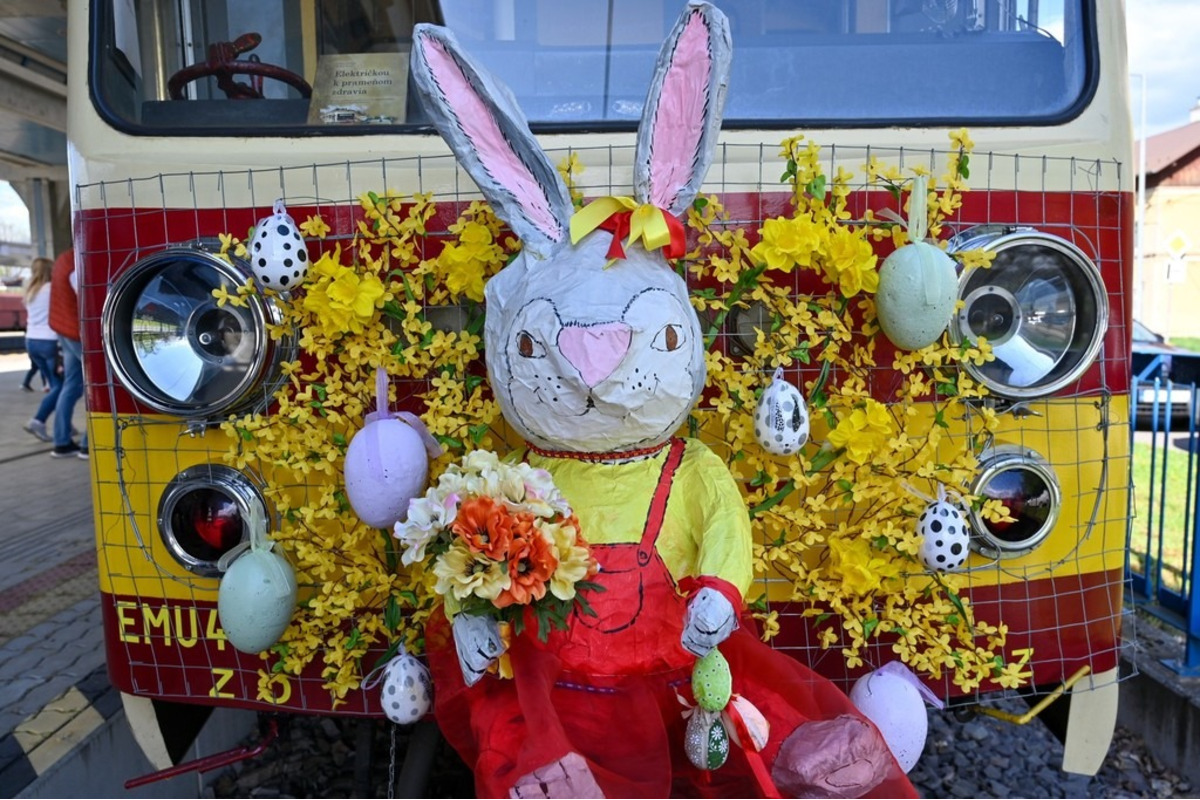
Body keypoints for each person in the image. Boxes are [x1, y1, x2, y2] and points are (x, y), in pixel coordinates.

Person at [48, 247, 87, 459]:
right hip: (75, 331)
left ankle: (61, 442)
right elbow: (84, 298)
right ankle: (89, 444)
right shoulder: (76, 262)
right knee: (98, 381)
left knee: (71, 385)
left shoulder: (64, 258)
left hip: (63, 327)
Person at [21, 256, 62, 441]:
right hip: (49, 342)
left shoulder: (31, 290)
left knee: (54, 385)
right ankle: (38, 420)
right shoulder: (52, 289)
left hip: (31, 341)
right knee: (61, 387)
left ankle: (65, 425)